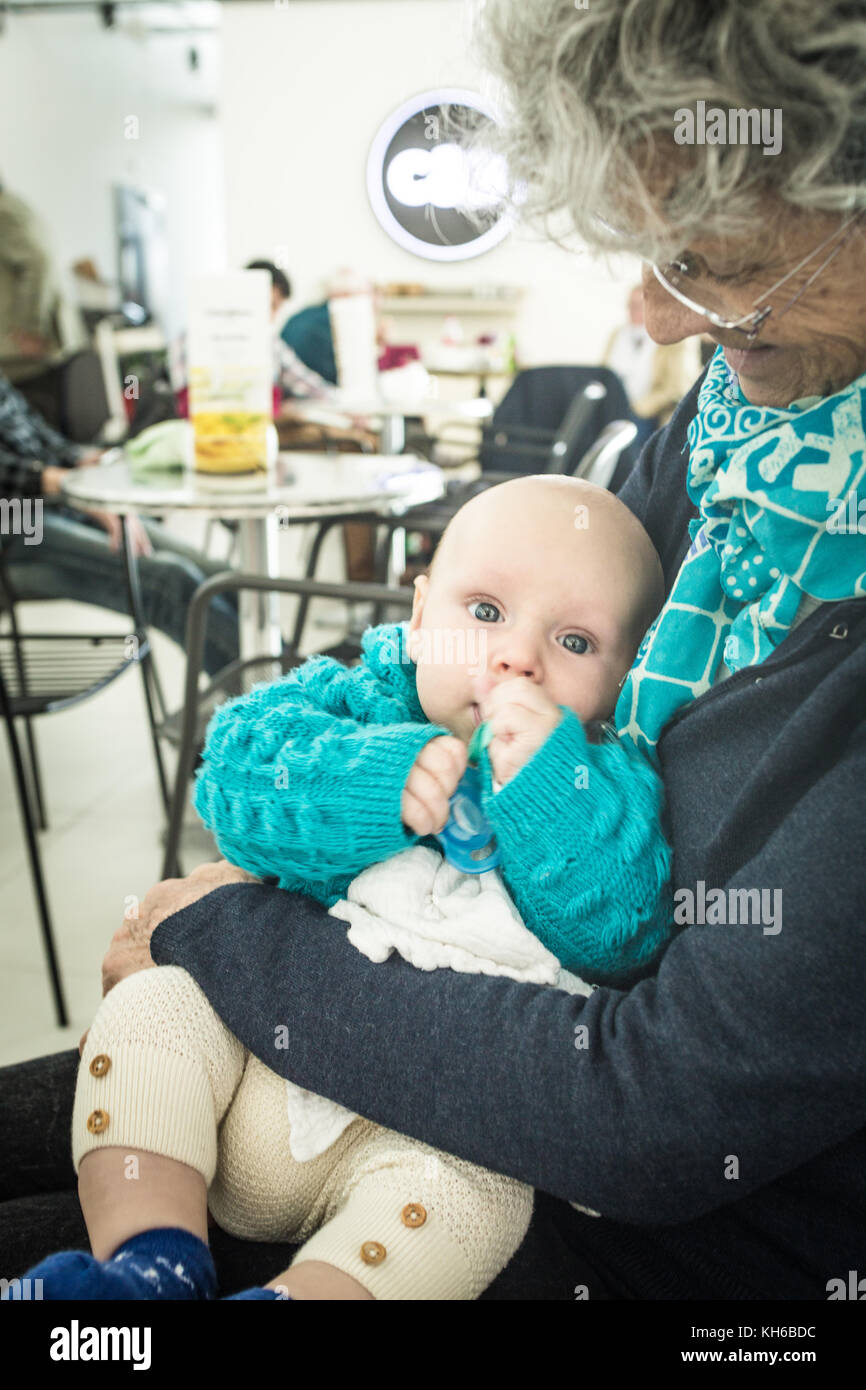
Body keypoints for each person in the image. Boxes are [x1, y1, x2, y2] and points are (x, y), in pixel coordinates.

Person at [2, 0, 866, 1301]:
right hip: (368, 1003)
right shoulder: (745, 409)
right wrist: (313, 810)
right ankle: (146, 1266)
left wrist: (232, 929)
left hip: (623, 1198)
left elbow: (653, 1102)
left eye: (708, 252)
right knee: (125, 1083)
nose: (653, 311)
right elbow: (266, 755)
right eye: (647, 245)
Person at [16, 476, 671, 1301]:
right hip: (247, 1070)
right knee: (153, 1008)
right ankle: (147, 1266)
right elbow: (232, 771)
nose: (517, 658)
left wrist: (549, 790)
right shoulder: (356, 701)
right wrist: (372, 783)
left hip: (423, 1144)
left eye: (575, 643)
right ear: (422, 611)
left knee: (485, 1204)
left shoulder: (609, 783)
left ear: (624, 677)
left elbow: (624, 930)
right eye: (486, 612)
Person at [0, 370, 238, 677]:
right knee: (171, 582)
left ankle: (301, 682)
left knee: (218, 575)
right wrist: (79, 489)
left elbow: (48, 445)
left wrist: (99, 462)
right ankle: (267, 710)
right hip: (15, 532)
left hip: (59, 505)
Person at [603, 285, 701, 446]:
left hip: (648, 414)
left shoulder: (676, 338)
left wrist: (640, 409)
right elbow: (604, 372)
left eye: (639, 305)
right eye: (630, 305)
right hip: (614, 409)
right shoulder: (618, 334)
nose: (633, 310)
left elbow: (679, 388)